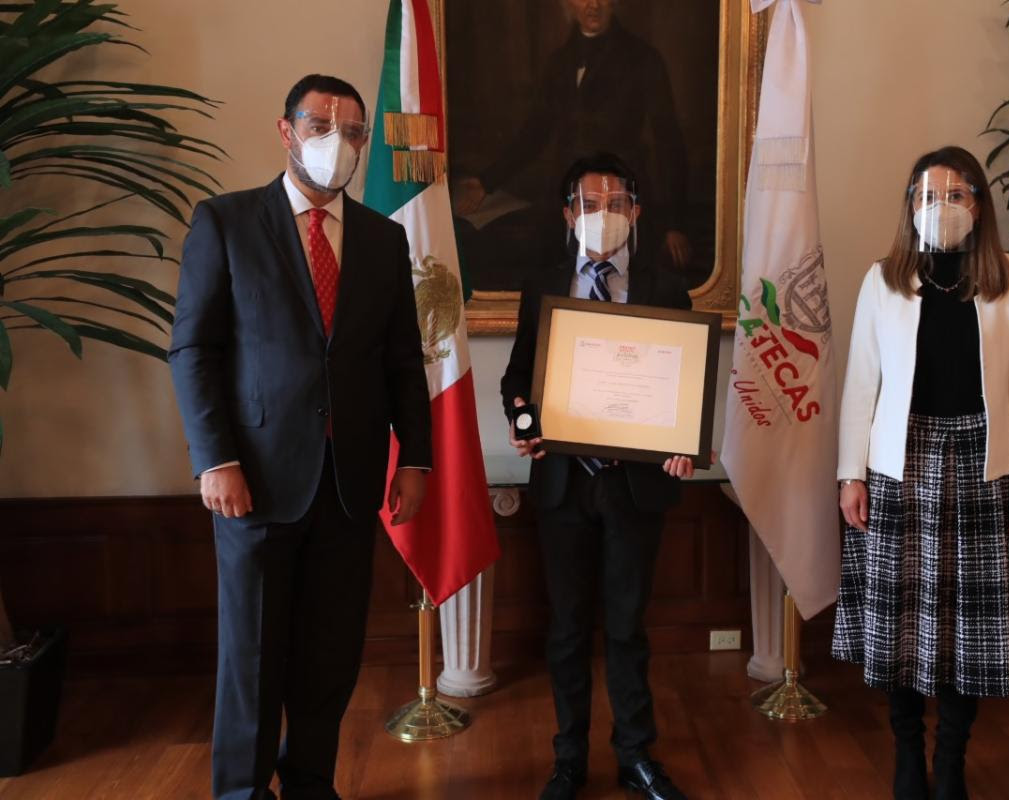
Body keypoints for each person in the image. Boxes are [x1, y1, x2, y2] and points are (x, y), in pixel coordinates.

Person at [169, 74, 432, 800]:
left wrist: (415, 458)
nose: (336, 142)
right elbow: (194, 350)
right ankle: (242, 792)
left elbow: (402, 359)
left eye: (352, 132)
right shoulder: (225, 222)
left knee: (329, 654)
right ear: (286, 132)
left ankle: (311, 783)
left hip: (349, 481)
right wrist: (214, 458)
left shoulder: (383, 238)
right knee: (252, 657)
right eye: (320, 126)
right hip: (253, 480)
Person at [832, 146, 1009, 800]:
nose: (941, 207)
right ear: (910, 206)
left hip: (984, 466)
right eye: (928, 196)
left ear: (979, 205)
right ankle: (907, 753)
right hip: (900, 465)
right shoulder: (884, 279)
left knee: (969, 629)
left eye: (956, 195)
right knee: (899, 623)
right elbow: (861, 383)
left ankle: (950, 759)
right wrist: (851, 474)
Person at [501, 153, 694, 800]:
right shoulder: (544, 286)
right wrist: (523, 421)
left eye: (615, 204)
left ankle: (636, 756)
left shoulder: (667, 289)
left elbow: (682, 389)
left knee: (627, 629)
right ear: (568, 215)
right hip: (564, 483)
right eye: (589, 204)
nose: (602, 215)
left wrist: (681, 444)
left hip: (635, 485)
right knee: (566, 629)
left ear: (635, 212)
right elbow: (518, 377)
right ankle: (568, 760)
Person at [455, 0, 691, 280]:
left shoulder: (643, 58)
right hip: (566, 198)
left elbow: (669, 142)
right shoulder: (559, 61)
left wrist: (675, 224)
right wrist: (487, 181)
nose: (593, 5)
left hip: (620, 199)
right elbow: (534, 134)